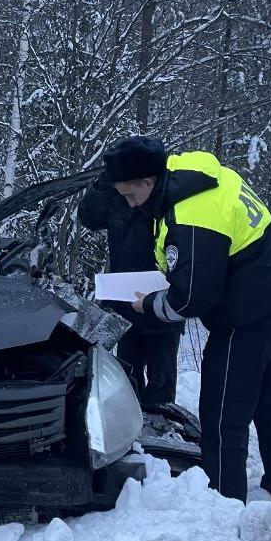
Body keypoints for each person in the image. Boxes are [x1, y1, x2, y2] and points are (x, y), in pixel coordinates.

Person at [101, 136, 271, 509]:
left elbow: (193, 297)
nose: (129, 204)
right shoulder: (189, 174)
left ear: (148, 182)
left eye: (130, 195)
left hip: (248, 312)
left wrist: (150, 303)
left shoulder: (191, 215)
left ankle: (225, 507)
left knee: (224, 410)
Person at [78, 165, 184, 411]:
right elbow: (89, 217)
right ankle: (131, 433)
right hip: (126, 304)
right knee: (127, 378)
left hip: (164, 303)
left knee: (161, 384)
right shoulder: (116, 199)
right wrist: (100, 185)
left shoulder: (169, 197)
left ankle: (161, 430)